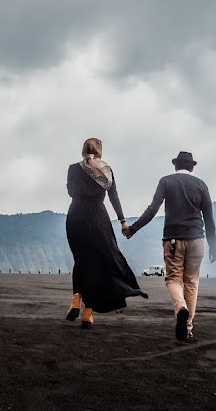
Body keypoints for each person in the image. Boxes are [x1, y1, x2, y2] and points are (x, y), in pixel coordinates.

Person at [124, 151, 216, 340]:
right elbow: (209, 217)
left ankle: (180, 308)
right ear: (192, 167)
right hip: (197, 239)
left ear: (175, 166)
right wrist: (213, 245)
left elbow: (152, 209)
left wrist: (134, 228)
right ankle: (188, 327)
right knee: (191, 283)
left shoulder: (166, 182)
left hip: (173, 240)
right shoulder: (201, 185)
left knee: (174, 280)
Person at [65, 138, 147, 329]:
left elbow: (70, 191)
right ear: (100, 152)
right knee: (98, 264)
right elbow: (113, 196)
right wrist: (123, 221)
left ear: (83, 151)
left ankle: (76, 299)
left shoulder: (73, 168)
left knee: (81, 259)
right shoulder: (106, 171)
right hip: (98, 219)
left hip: (75, 216)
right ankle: (87, 313)